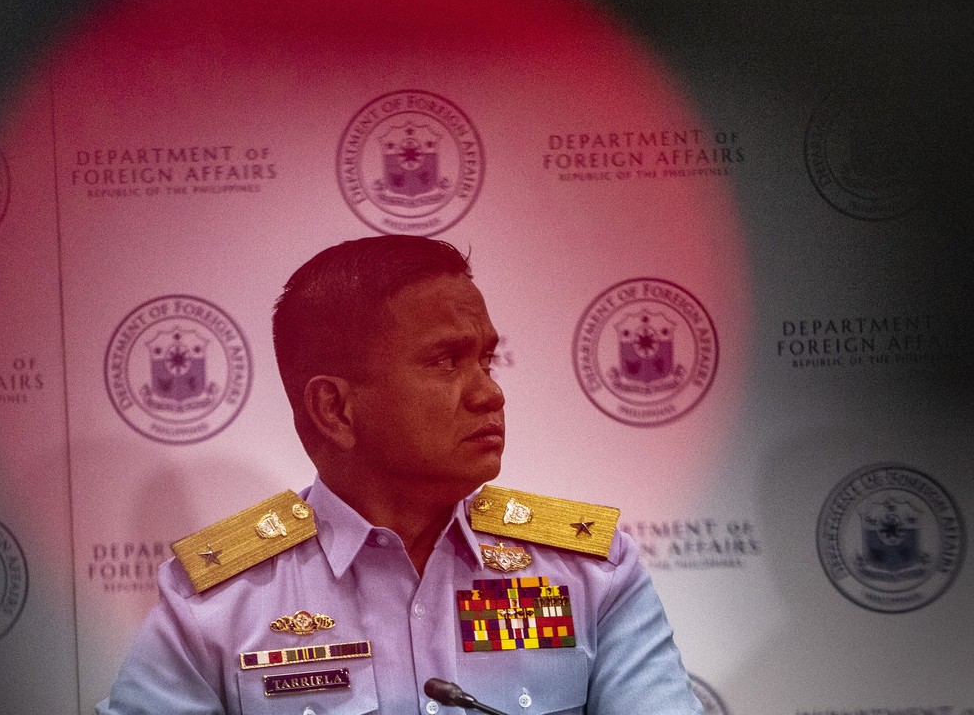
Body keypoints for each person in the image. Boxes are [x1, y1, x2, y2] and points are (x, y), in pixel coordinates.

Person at [97, 235, 701, 714]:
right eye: (445, 361)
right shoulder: (218, 601)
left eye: (485, 359)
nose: (491, 394)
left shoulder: (591, 572)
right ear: (334, 408)